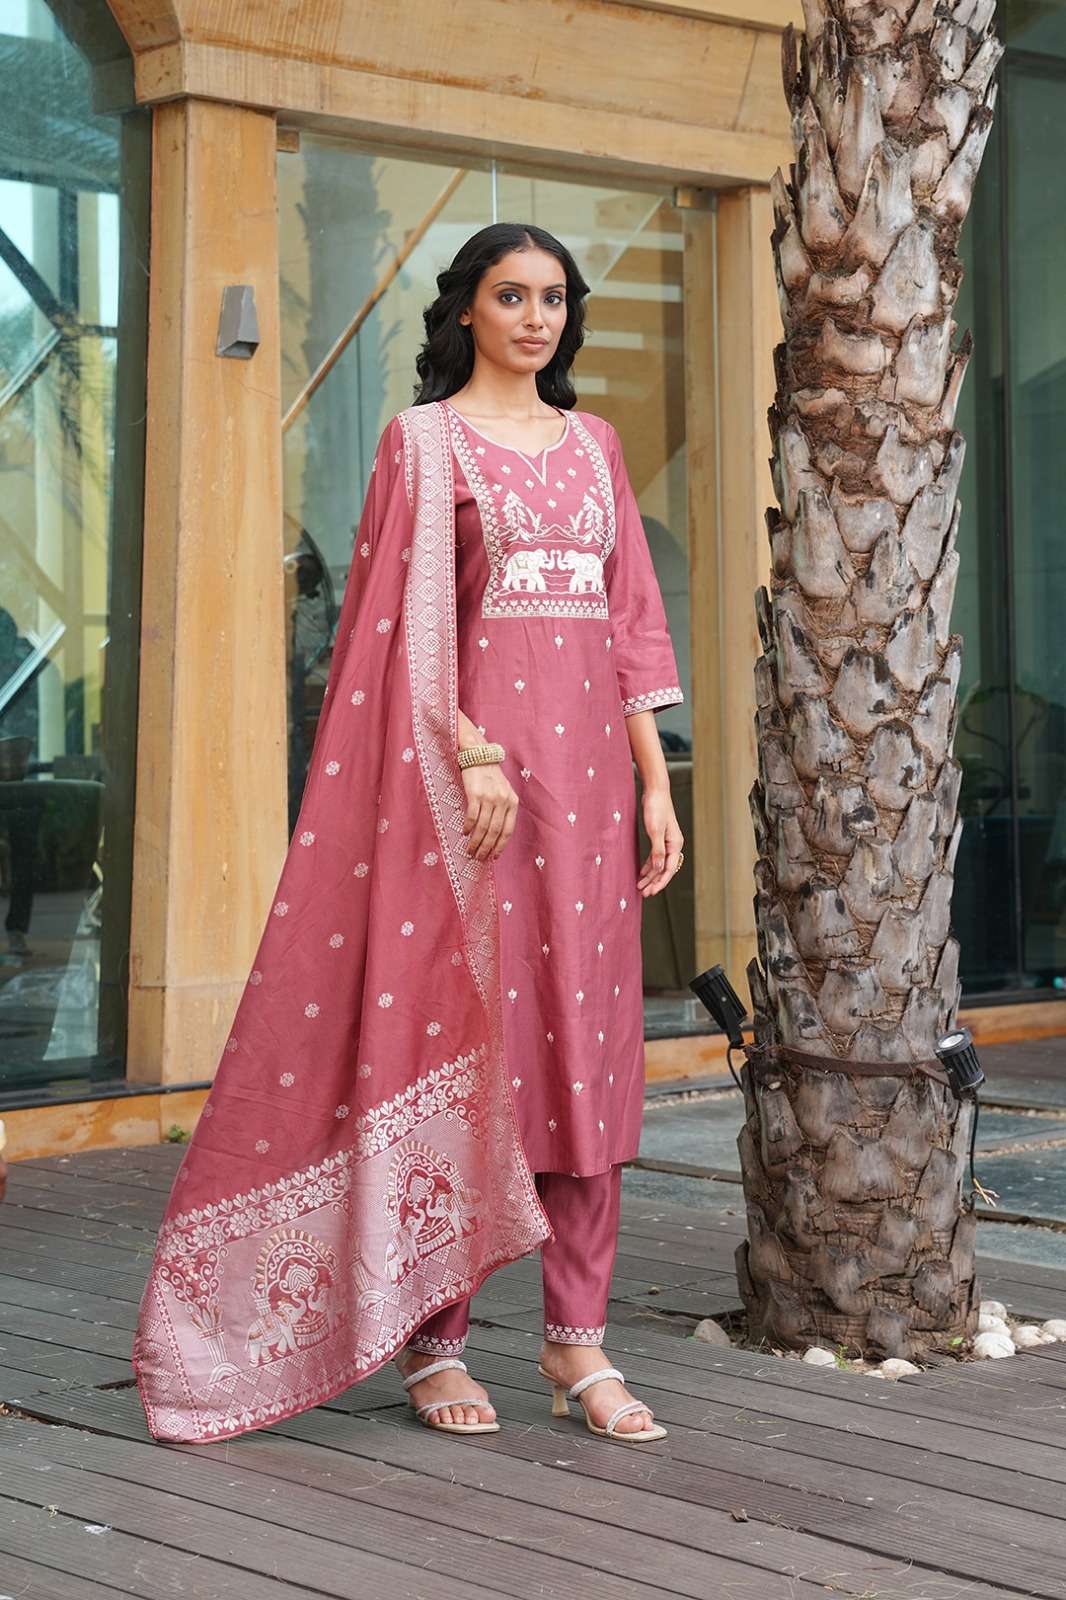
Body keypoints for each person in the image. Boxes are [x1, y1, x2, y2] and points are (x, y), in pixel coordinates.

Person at [131, 222, 684, 1447]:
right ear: (466, 310)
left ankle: (577, 1338)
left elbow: (631, 627)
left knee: (587, 1064)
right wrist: (473, 752)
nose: (535, 318)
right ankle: (437, 1342)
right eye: (511, 295)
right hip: (467, 808)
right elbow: (392, 634)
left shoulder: (594, 446)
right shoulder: (422, 443)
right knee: (470, 1057)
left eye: (553, 298)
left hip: (590, 806)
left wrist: (655, 786)